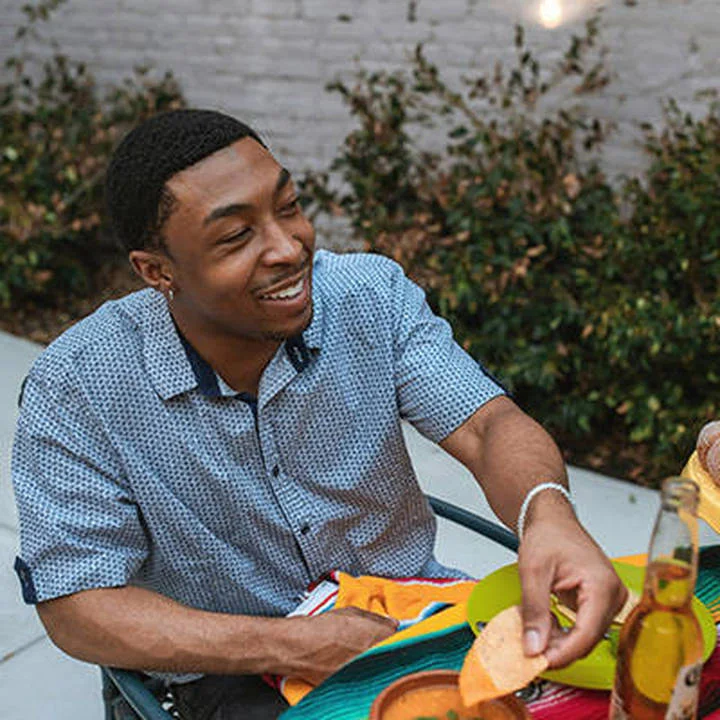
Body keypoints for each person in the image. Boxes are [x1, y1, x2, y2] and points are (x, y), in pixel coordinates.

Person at [11, 109, 625, 719]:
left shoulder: (371, 296)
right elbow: (77, 604)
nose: (288, 247)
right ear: (156, 270)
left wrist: (548, 513)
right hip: (225, 674)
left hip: (410, 620)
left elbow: (487, 425)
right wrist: (294, 644)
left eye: (288, 207)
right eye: (236, 236)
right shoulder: (78, 385)